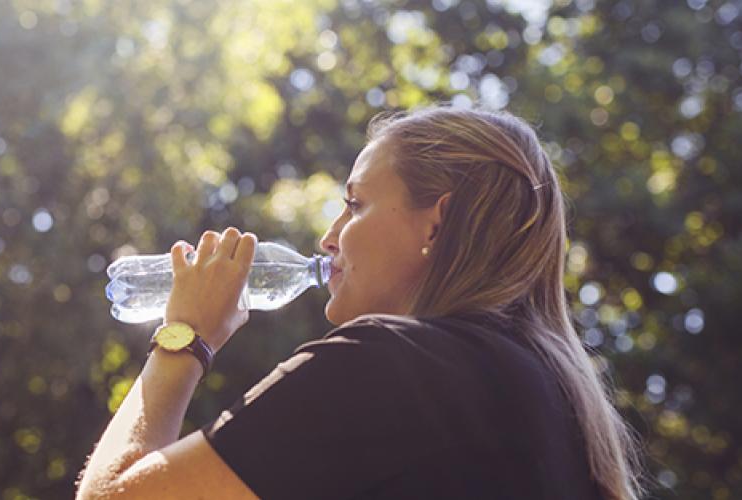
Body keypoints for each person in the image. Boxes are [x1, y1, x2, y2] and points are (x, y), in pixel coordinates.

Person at [74, 106, 643, 499]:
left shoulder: (392, 366)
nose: (329, 237)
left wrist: (186, 335)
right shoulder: (559, 404)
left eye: (355, 204)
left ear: (437, 223)